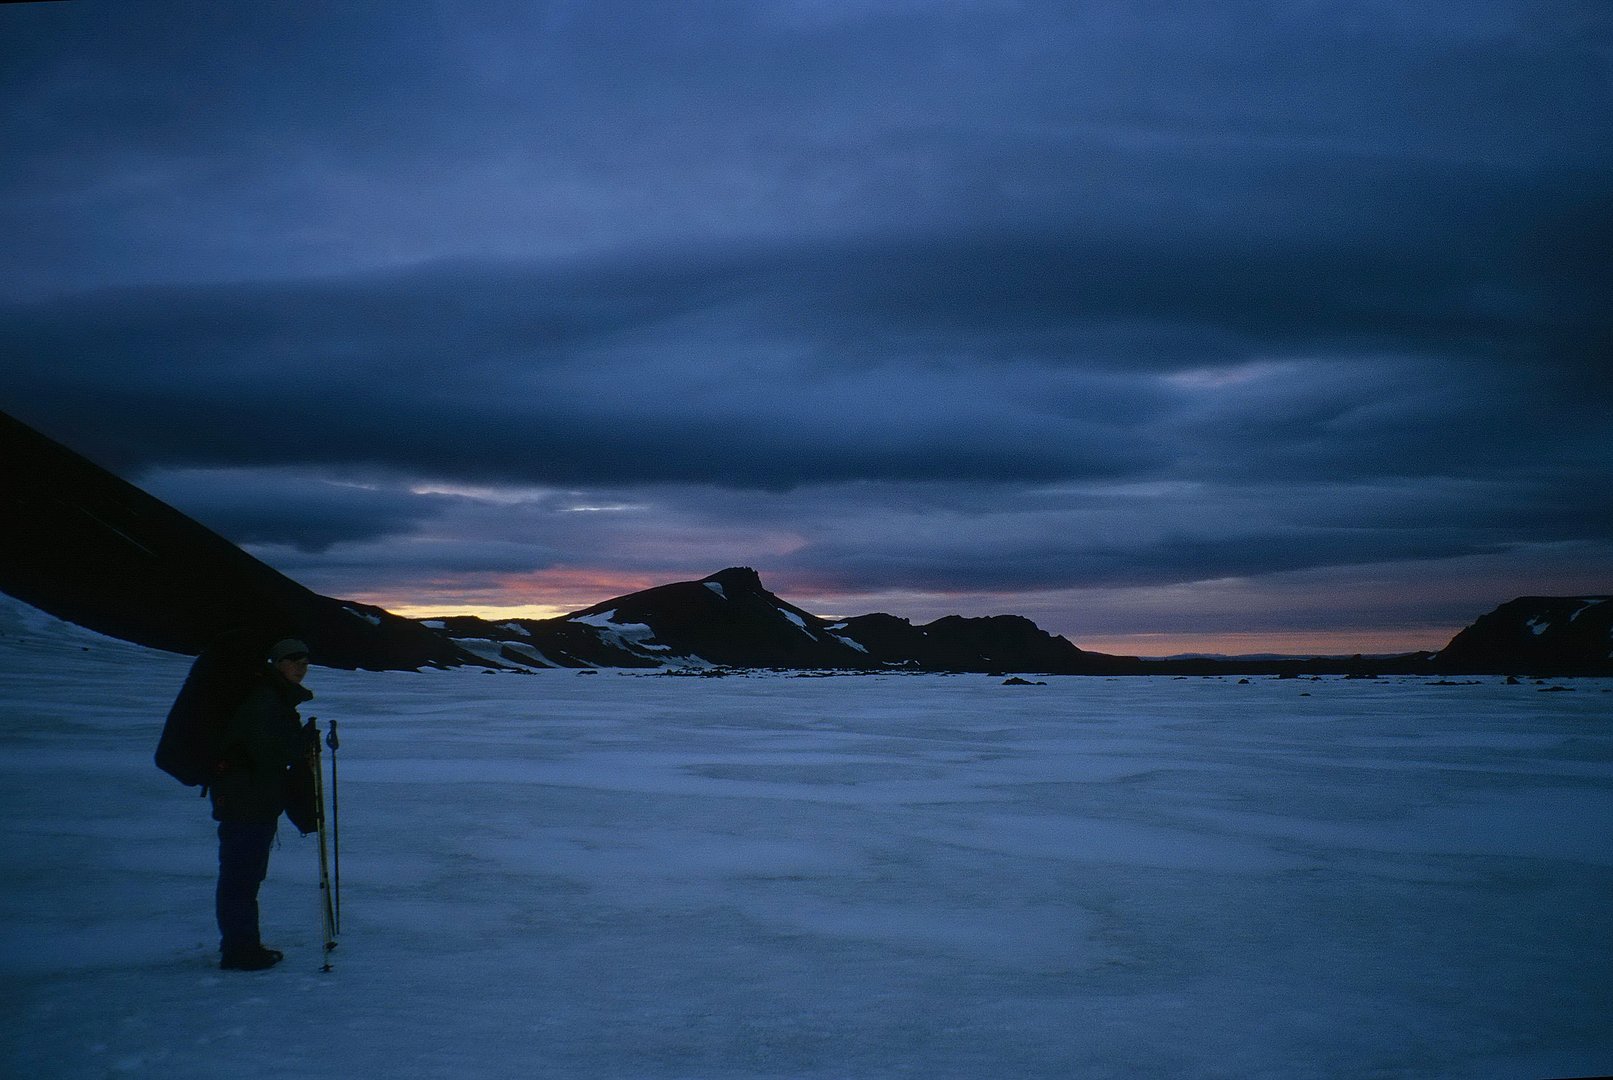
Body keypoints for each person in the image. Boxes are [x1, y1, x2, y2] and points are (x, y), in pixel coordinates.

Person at [208, 637, 315, 971]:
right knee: (241, 878)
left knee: (244, 876)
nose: (301, 666)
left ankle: (241, 945)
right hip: (246, 802)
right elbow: (268, 752)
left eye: (305, 660)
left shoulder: (274, 699)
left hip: (253, 801)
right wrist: (300, 747)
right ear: (276, 663)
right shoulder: (264, 701)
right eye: (293, 659)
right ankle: (240, 950)